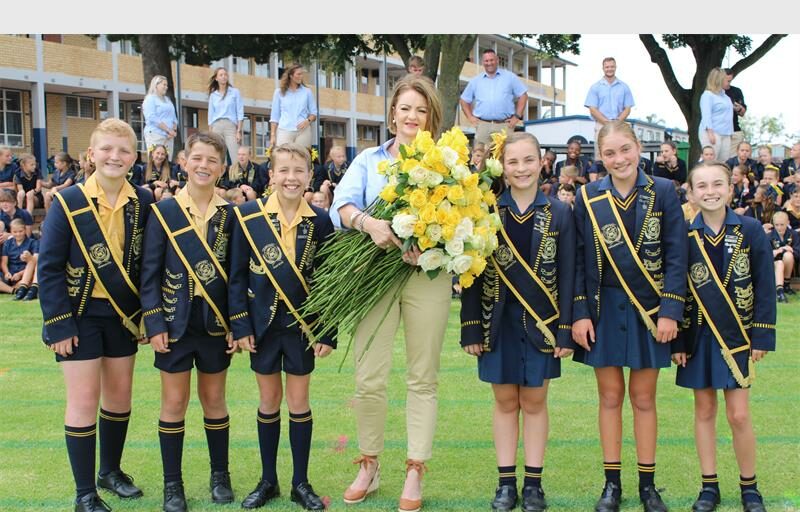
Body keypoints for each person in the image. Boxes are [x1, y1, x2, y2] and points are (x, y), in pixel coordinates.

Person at [331, 75, 447, 512]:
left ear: (431, 118)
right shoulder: (368, 160)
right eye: (405, 108)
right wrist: (370, 223)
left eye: (421, 110)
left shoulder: (446, 165)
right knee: (369, 377)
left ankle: (415, 468)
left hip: (425, 278)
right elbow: (341, 207)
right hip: (371, 275)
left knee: (423, 376)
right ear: (393, 114)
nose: (412, 116)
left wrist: (433, 246)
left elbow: (460, 220)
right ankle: (369, 463)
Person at [38, 118, 153, 512]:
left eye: (123, 150)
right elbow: (49, 267)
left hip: (122, 315)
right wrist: (58, 323)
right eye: (106, 148)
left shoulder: (144, 201)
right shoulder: (68, 202)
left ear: (133, 158)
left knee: (119, 397)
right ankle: (85, 493)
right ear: (91, 154)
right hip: (79, 315)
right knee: (84, 400)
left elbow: (147, 266)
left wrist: (147, 316)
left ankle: (110, 471)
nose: (114, 156)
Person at [572, 120, 687, 512]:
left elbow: (677, 255)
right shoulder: (588, 196)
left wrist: (670, 310)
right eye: (609, 153)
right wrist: (580, 313)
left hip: (649, 311)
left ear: (639, 148)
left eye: (625, 149)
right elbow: (579, 259)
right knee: (609, 397)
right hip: (603, 309)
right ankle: (612, 484)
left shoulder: (665, 190)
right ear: (600, 157)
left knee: (643, 397)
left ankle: (648, 485)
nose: (618, 159)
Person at [460, 132, 576, 512]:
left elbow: (569, 274)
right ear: (502, 167)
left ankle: (534, 485)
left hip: (543, 324)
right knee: (505, 401)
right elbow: (472, 271)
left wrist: (564, 329)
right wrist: (471, 325)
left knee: (536, 400)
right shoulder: (486, 211)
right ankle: (506, 483)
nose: (521, 168)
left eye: (529, 160)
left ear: (542, 162)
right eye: (513, 161)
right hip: (496, 322)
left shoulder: (560, 213)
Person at [229, 143, 335, 511]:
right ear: (271, 175)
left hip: (301, 327)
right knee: (269, 400)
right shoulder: (248, 216)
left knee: (299, 402)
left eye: (299, 171)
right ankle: (268, 480)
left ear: (310, 176)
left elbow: (327, 280)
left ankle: (300, 483)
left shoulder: (320, 221)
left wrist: (326, 330)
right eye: (284, 170)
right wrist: (240, 325)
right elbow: (236, 276)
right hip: (262, 326)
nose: (291, 178)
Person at [140, 131, 237, 512]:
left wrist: (236, 324)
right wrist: (154, 323)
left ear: (222, 168)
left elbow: (235, 276)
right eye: (197, 158)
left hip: (214, 324)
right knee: (174, 402)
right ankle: (172, 484)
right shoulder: (163, 212)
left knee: (214, 400)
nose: (203, 166)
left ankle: (220, 476)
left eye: (212, 160)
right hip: (173, 322)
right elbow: (149, 273)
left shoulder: (231, 214)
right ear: (183, 161)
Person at [672, 160, 775, 512]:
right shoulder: (685, 235)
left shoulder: (751, 230)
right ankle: (709, 486)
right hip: (697, 336)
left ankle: (750, 487)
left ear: (731, 189)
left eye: (718, 184)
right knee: (704, 410)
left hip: (737, 336)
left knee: (739, 415)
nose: (710, 191)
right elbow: (677, 289)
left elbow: (764, 285)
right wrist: (678, 341)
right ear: (690, 193)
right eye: (701, 186)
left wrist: (761, 335)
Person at [460, 49, 528, 146]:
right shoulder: (475, 81)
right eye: (486, 61)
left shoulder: (510, 77)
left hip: (505, 125)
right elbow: (464, 100)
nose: (489, 63)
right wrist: (470, 117)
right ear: (483, 62)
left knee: (505, 153)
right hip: (483, 125)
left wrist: (517, 116)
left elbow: (523, 95)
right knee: (480, 153)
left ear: (497, 60)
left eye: (491, 60)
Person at [584, 57, 634, 159]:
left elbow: (627, 108)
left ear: (615, 67)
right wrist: (606, 122)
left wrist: (617, 122)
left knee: (620, 154)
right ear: (603, 68)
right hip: (601, 125)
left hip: (619, 125)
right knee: (601, 156)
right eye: (607, 67)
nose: (609, 69)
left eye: (612, 66)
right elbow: (592, 109)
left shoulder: (624, 87)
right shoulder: (595, 87)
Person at [270, 64, 317, 149]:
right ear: (291, 76)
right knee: (284, 155)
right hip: (284, 130)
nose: (301, 76)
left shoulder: (307, 92)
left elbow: (314, 113)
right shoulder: (279, 92)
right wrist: (273, 135)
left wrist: (307, 121)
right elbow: (274, 116)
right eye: (298, 74)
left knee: (302, 155)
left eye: (302, 74)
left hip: (303, 131)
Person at [208, 67, 244, 164]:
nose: (224, 77)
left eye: (225, 75)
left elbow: (240, 112)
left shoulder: (235, 92)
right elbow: (210, 115)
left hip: (230, 126)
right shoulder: (213, 95)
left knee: (235, 154)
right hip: (216, 126)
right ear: (216, 78)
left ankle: (237, 173)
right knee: (219, 156)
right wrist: (210, 133)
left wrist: (239, 131)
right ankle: (221, 174)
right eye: (221, 75)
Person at [699, 68, 733, 164]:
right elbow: (706, 115)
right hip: (713, 133)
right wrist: (710, 133)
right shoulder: (707, 95)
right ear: (719, 80)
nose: (729, 83)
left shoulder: (726, 97)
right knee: (711, 161)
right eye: (727, 81)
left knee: (723, 162)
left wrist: (730, 134)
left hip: (726, 133)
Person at [1, 217, 38, 299]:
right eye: (15, 232)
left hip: (24, 275)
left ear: (25, 230)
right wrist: (7, 273)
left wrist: (20, 274)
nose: (18, 234)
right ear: (11, 232)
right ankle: (14, 290)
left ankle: (15, 288)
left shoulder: (33, 243)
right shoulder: (7, 243)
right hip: (10, 275)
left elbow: (34, 262)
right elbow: (4, 262)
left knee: (32, 278)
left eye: (20, 231)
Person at [142, 75, 178, 160]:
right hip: (155, 134)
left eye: (167, 85)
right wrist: (168, 130)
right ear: (156, 85)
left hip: (169, 137)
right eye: (164, 85)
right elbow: (152, 117)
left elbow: (174, 117)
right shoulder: (150, 99)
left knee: (167, 160)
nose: (166, 87)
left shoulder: (168, 100)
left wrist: (173, 131)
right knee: (155, 160)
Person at [768, 211, 798, 303]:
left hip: (790, 266)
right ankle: (780, 292)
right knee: (779, 263)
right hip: (773, 266)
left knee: (788, 255)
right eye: (776, 225)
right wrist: (777, 251)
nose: (779, 227)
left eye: (782, 224)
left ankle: (786, 285)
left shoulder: (794, 234)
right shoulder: (769, 236)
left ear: (787, 223)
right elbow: (764, 255)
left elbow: (798, 252)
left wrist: (790, 250)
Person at [723, 69, 747, 159]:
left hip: (735, 130)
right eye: (726, 80)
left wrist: (738, 108)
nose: (728, 83)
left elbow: (743, 112)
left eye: (730, 81)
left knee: (733, 161)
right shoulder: (713, 93)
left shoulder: (736, 91)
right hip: (719, 131)